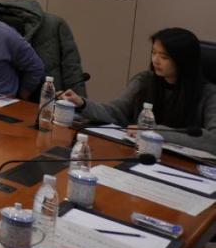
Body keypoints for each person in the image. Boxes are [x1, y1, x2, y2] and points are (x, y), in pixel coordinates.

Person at [62, 28, 216, 154]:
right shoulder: (144, 81)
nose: (155, 60)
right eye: (153, 53)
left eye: (164, 57)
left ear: (183, 61)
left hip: (183, 166)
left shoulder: (208, 94)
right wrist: (82, 103)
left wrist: (155, 131)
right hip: (138, 154)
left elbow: (213, 140)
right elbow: (116, 112)